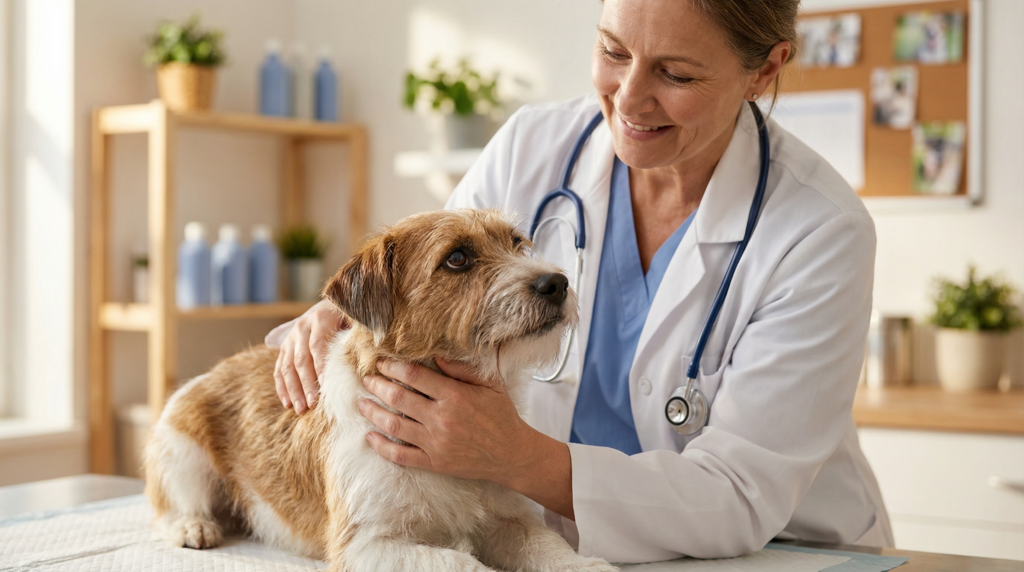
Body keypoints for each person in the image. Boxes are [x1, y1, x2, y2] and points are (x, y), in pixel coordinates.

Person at [266, 0, 893, 562]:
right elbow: (423, 291)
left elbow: (737, 496)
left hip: (780, 551)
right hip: (550, 543)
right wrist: (339, 317)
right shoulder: (531, 146)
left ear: (764, 69)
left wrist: (514, 456)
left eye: (676, 74)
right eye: (614, 52)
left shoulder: (819, 230)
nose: (628, 99)